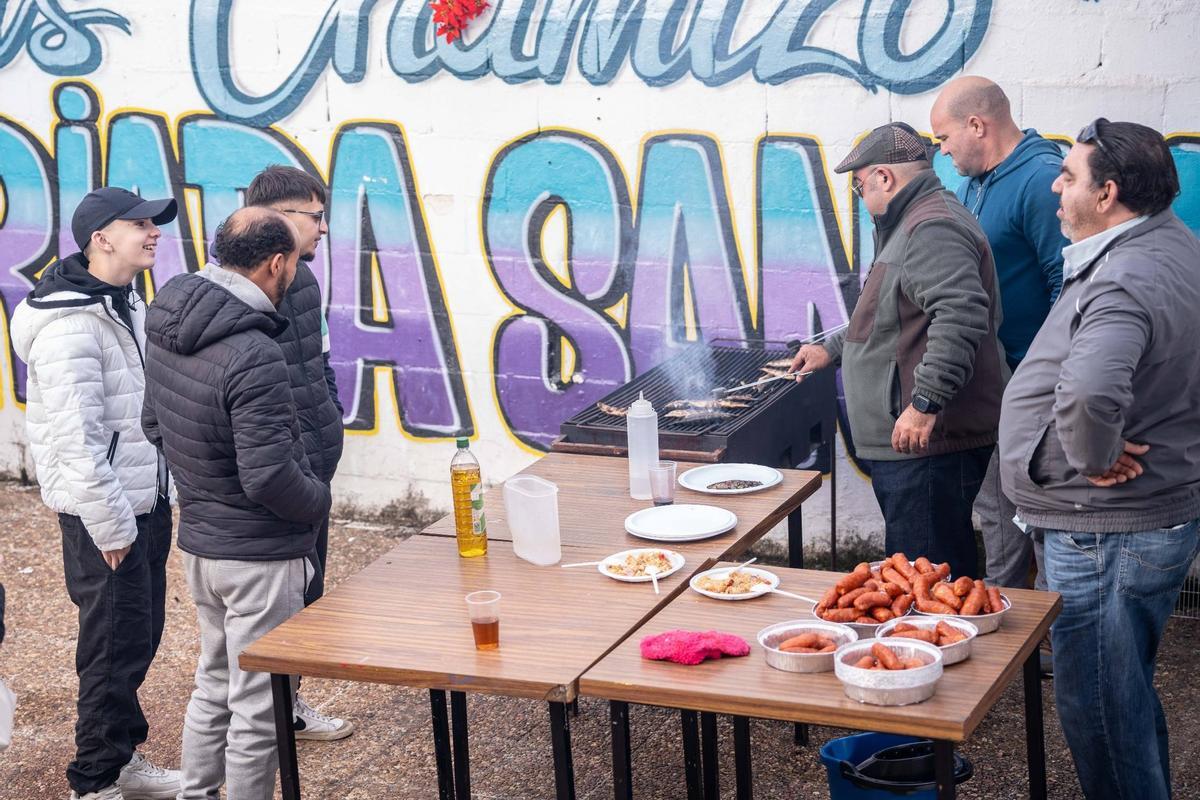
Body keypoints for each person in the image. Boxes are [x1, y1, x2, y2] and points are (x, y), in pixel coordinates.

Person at [999, 119, 1200, 800]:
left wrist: (1093, 455)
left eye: (1069, 175)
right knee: (1125, 694)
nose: (1056, 186)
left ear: (1107, 192)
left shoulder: (1125, 276)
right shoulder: (1172, 244)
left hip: (1106, 528)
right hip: (1131, 521)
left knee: (1101, 711)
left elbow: (1088, 394)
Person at [142, 207, 332, 800]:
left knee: (213, 680)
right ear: (277, 263)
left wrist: (205, 485)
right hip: (258, 554)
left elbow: (155, 425)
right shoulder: (254, 352)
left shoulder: (169, 319)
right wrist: (317, 502)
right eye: (295, 262)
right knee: (257, 705)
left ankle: (197, 792)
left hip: (201, 540)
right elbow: (269, 476)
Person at [10, 187, 181, 800]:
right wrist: (111, 526)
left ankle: (121, 759)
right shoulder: (70, 327)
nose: (154, 232)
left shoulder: (122, 301)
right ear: (100, 238)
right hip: (106, 513)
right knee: (110, 647)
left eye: (153, 223)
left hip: (144, 498)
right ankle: (94, 779)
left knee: (138, 637)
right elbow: (76, 441)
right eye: (140, 224)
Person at [791, 122, 1004, 579]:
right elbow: (893, 313)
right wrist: (831, 348)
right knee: (925, 572)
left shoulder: (931, 227)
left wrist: (924, 402)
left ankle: (931, 650)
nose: (859, 196)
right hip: (915, 446)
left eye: (859, 185)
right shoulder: (911, 221)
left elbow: (962, 316)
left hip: (926, 447)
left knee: (926, 581)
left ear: (884, 177)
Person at [931, 76, 1069, 592]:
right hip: (991, 383)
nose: (943, 153)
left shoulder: (1040, 177)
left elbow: (1067, 281)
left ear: (976, 125)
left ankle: (1053, 637)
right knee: (996, 506)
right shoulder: (971, 182)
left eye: (945, 139)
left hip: (1033, 385)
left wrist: (1041, 373)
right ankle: (1003, 619)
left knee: (1039, 513)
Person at [244, 166, 350, 740]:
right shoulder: (242, 287)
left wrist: (329, 421)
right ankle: (265, 718)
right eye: (314, 216)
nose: (323, 229)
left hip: (312, 464)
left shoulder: (302, 280)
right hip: (280, 472)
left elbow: (319, 363)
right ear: (279, 219)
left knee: (308, 587)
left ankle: (291, 704)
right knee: (271, 597)